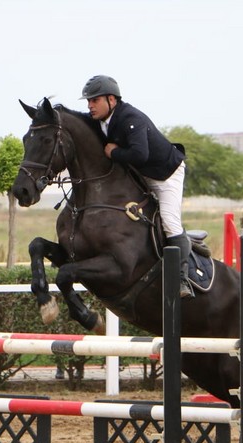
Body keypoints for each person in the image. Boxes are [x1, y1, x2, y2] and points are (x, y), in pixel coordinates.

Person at [80, 75, 193, 297]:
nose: (89, 105)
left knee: (170, 222)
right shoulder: (101, 118)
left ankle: (182, 277)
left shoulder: (131, 118)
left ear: (111, 99)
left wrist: (114, 152)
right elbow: (79, 120)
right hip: (141, 174)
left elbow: (140, 155)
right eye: (88, 101)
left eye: (94, 100)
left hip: (165, 174)